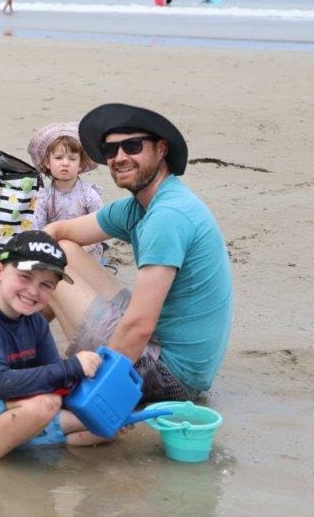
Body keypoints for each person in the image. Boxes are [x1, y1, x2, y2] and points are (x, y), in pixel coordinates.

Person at [44, 103, 232, 402]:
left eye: (132, 146)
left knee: (49, 264)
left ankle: (15, 343)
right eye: (110, 150)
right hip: (162, 346)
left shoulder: (167, 215)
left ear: (160, 149)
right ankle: (16, 335)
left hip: (171, 376)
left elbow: (139, 326)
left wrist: (101, 395)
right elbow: (59, 232)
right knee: (58, 250)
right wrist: (18, 267)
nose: (119, 158)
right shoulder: (139, 207)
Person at [0, 231, 107, 459]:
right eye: (25, 277)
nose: (33, 291)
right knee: (45, 404)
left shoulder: (36, 322)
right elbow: (0, 384)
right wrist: (73, 367)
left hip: (14, 407)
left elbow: (56, 379)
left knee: (104, 430)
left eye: (46, 285)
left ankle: (13, 441)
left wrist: (99, 405)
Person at [27, 122, 104, 263]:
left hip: (85, 250)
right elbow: (37, 228)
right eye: (58, 158)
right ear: (47, 163)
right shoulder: (44, 196)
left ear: (81, 164)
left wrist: (82, 250)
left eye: (72, 159)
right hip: (52, 249)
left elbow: (100, 227)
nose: (65, 163)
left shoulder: (89, 195)